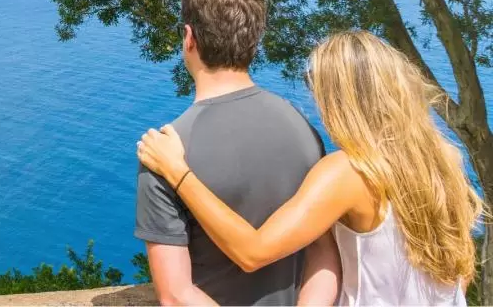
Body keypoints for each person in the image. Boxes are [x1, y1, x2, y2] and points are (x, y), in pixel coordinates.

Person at [138, 30, 483, 306]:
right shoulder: (443, 159)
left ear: (341, 99)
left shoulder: (349, 172)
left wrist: (179, 174)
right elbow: (459, 275)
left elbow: (253, 252)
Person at [136, 0, 340, 306]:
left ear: (189, 38)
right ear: (254, 42)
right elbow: (324, 252)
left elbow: (175, 294)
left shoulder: (166, 150)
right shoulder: (302, 128)